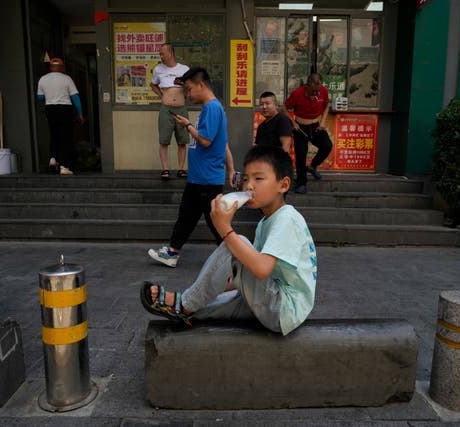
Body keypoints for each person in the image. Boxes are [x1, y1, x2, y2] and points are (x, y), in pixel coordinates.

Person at [140, 145, 318, 336]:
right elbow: (246, 269)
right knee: (209, 305)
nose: (249, 186)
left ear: (283, 185)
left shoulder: (287, 218)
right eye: (245, 179)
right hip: (273, 303)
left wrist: (225, 229)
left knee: (236, 242)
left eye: (258, 178)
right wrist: (213, 287)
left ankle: (183, 304)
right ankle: (184, 308)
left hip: (282, 308)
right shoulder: (265, 223)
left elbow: (261, 269)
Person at [148, 67, 235, 268]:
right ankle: (172, 252)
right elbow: (223, 143)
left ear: (201, 85)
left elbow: (205, 140)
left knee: (215, 223)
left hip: (206, 179)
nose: (187, 94)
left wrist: (187, 125)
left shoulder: (212, 108)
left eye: (188, 89)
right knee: (187, 217)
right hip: (200, 178)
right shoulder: (211, 108)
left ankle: (235, 255)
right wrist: (231, 169)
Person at [284, 72, 332, 193]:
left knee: (327, 146)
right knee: (301, 155)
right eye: (313, 91)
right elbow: (284, 107)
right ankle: (301, 182)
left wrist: (322, 123)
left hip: (316, 126)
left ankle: (312, 166)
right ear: (308, 86)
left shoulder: (323, 91)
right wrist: (293, 123)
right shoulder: (297, 93)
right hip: (300, 128)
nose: (316, 94)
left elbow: (326, 106)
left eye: (318, 91)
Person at [36, 57, 84, 175]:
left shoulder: (43, 79)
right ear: (62, 68)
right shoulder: (67, 79)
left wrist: (50, 94)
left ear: (51, 67)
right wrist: (80, 114)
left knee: (54, 134)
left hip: (50, 109)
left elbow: (40, 97)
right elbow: (75, 98)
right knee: (65, 138)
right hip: (65, 109)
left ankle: (53, 158)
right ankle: (64, 166)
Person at [150, 43, 190, 180]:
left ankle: (181, 169)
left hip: (181, 107)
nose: (161, 56)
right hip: (166, 108)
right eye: (160, 54)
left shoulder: (184, 69)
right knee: (164, 140)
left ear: (171, 53)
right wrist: (161, 96)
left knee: (182, 140)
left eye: (163, 53)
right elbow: (153, 84)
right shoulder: (158, 69)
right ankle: (165, 169)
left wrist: (183, 84)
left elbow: (191, 87)